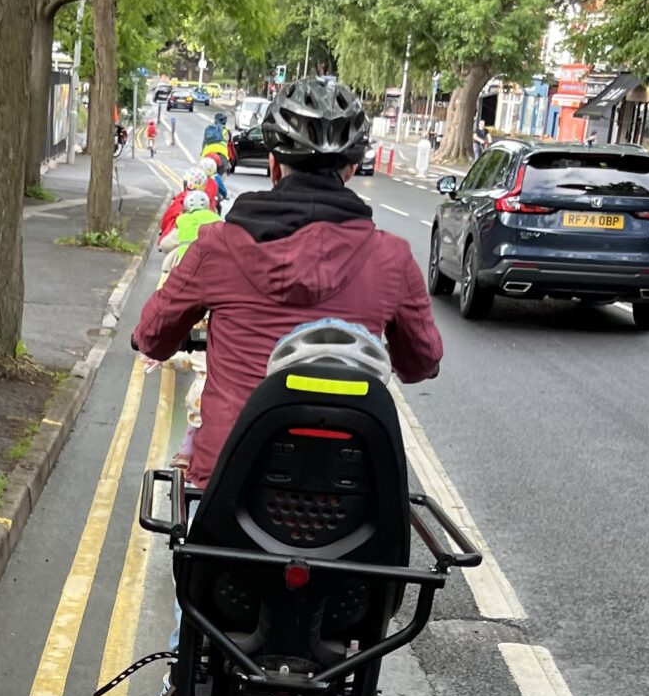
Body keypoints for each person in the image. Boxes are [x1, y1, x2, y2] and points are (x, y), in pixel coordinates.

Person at [132, 74, 442, 497]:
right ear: (351, 170)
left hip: (230, 486)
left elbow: (151, 337)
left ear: (274, 165)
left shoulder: (217, 246)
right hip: (346, 497)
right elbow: (421, 362)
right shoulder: (393, 258)